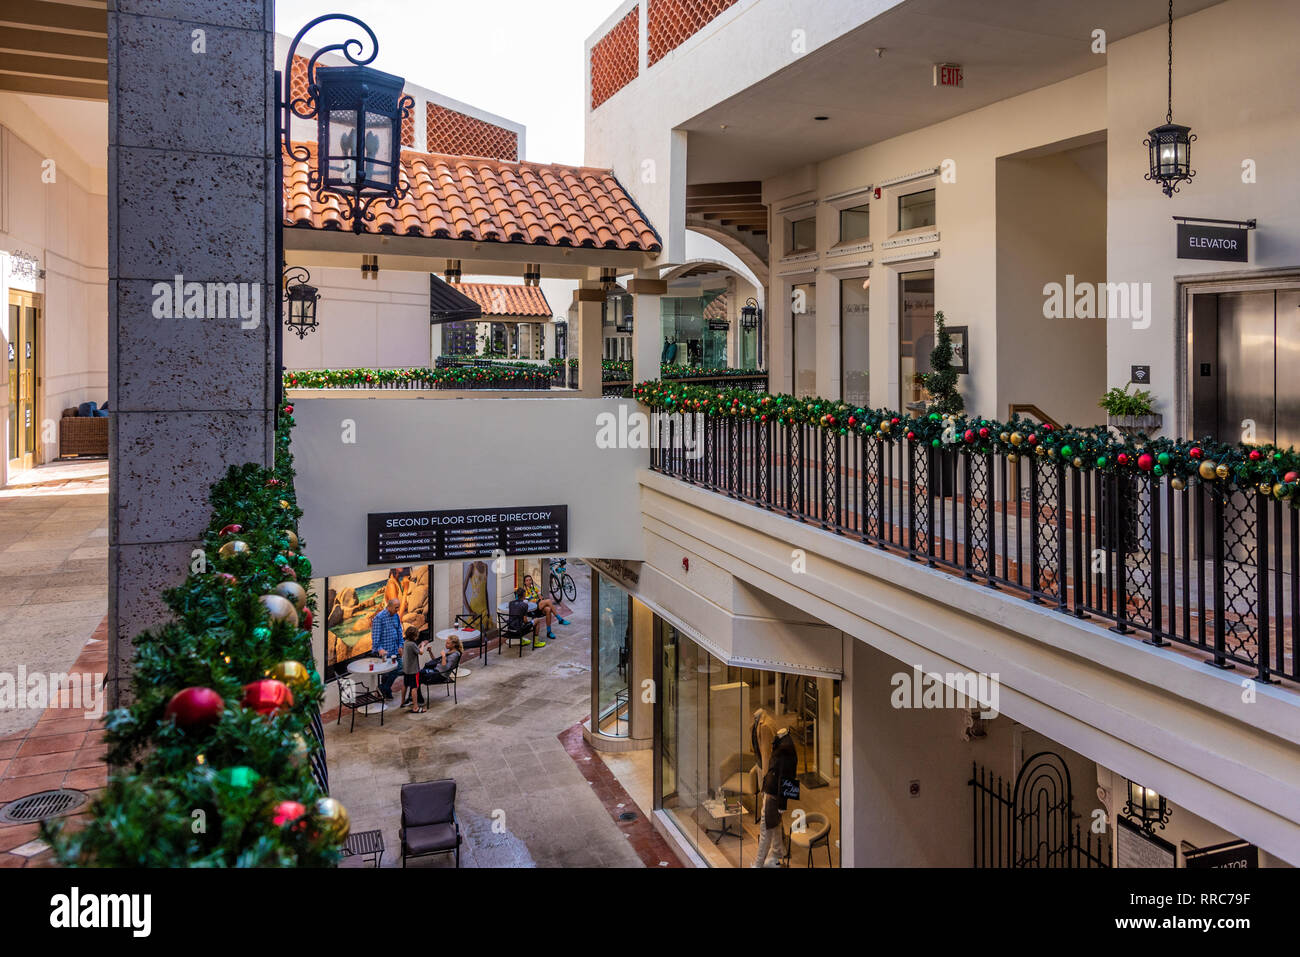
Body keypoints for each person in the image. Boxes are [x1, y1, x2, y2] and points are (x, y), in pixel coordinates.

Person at [370, 596, 405, 700]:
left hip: (395, 650)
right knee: (386, 673)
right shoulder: (379, 618)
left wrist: (400, 646)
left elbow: (399, 631)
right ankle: (387, 691)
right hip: (384, 652)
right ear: (389, 607)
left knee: (399, 668)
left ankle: (384, 688)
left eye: (398, 607)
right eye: (396, 607)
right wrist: (379, 649)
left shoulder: (396, 616)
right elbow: (375, 636)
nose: (398, 610)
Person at [521, 574, 569, 642]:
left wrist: (538, 596)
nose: (529, 581)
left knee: (548, 609)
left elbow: (541, 597)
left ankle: (549, 632)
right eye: (527, 580)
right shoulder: (524, 591)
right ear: (524, 582)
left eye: (530, 580)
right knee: (548, 601)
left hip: (538, 606)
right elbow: (528, 601)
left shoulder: (534, 588)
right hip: (531, 609)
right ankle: (559, 619)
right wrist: (536, 598)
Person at [400, 625, 426, 713]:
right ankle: (415, 707)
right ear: (414, 636)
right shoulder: (412, 644)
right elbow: (421, 652)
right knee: (414, 687)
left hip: (406, 669)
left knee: (405, 685)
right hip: (413, 670)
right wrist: (422, 645)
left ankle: (402, 702)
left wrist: (418, 646)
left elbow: (414, 650)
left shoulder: (406, 642)